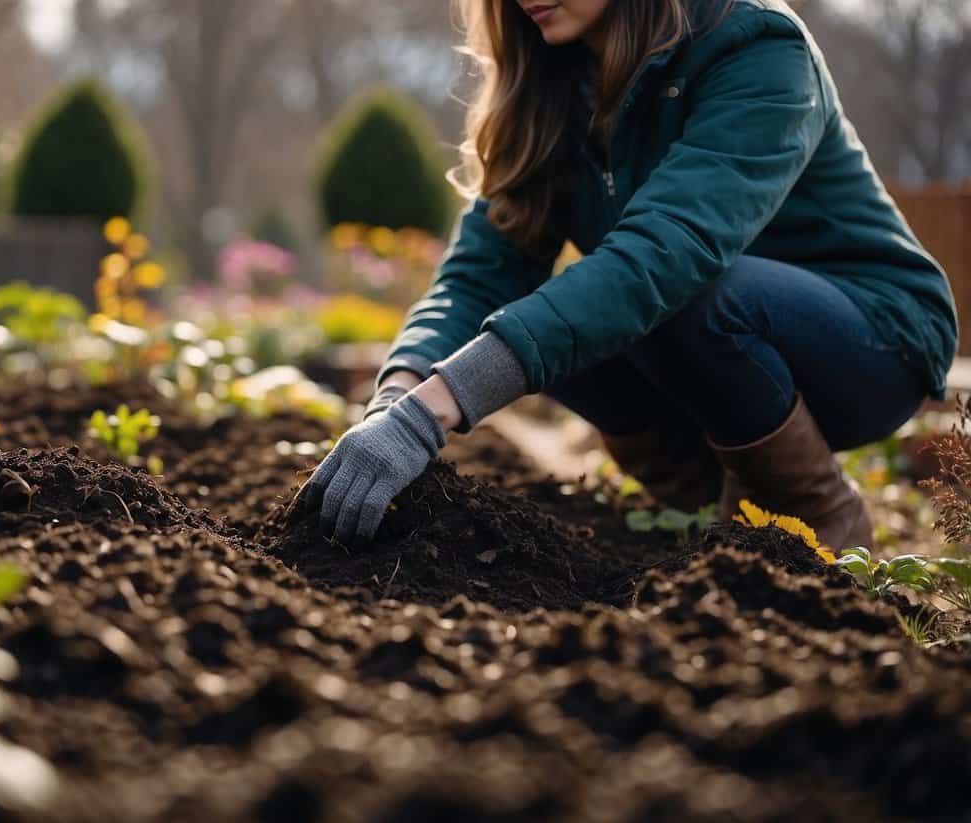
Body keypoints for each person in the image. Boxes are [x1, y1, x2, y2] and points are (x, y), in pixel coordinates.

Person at [298, 0, 956, 551]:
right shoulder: (553, 82)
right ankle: (692, 496)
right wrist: (394, 403)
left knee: (668, 293)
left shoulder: (754, 44)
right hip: (703, 334)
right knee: (550, 306)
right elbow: (477, 278)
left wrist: (433, 414)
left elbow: (662, 256)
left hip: (873, 340)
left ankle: (810, 517)